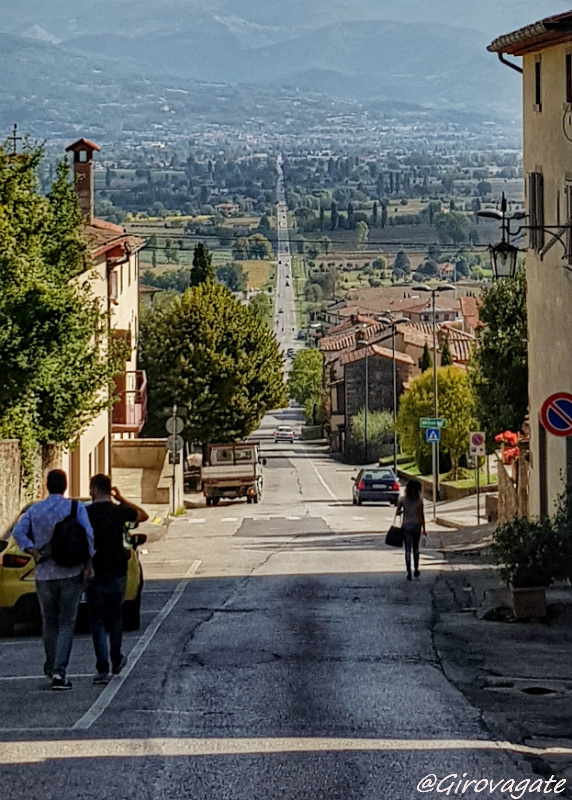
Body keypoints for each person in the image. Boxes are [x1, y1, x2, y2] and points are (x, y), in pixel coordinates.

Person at [13, 469, 94, 691]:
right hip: (71, 572)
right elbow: (88, 535)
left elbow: (19, 532)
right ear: (65, 486)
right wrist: (88, 565)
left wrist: (34, 552)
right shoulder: (75, 508)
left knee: (49, 622)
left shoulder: (35, 510)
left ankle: (50, 667)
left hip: (44, 573)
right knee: (67, 622)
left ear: (46, 486)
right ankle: (60, 672)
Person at [86, 474, 148, 685]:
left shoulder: (86, 513)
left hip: (94, 571)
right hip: (117, 570)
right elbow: (143, 516)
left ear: (93, 489)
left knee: (96, 620)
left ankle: (101, 668)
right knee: (115, 619)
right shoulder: (118, 511)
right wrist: (121, 499)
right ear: (109, 490)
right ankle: (116, 659)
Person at [396, 479, 426, 581]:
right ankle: (416, 569)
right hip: (417, 525)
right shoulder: (419, 500)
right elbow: (422, 515)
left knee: (407, 550)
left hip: (406, 526)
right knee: (416, 548)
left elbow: (397, 512)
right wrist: (424, 529)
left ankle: (408, 571)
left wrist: (401, 511)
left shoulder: (403, 499)